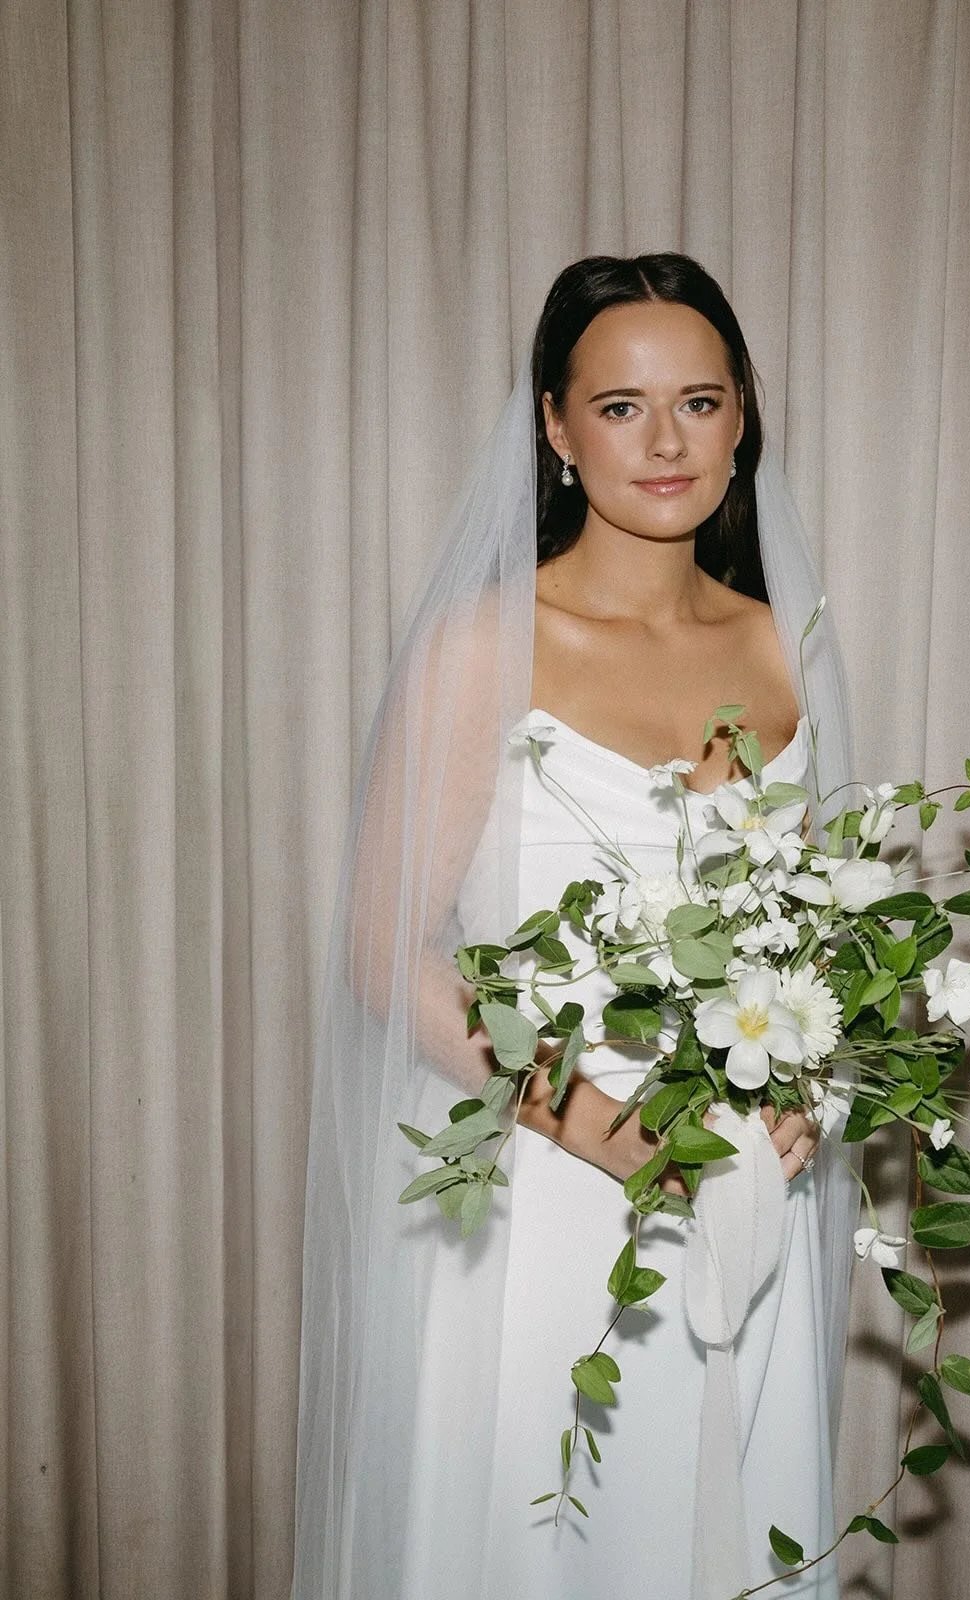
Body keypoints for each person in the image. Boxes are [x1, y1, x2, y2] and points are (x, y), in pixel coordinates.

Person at [292, 254, 858, 1600]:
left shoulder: (784, 644)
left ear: (742, 420)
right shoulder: (488, 643)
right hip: (545, 1187)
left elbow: (812, 929)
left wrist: (805, 1092)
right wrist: (596, 1125)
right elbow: (382, 950)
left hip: (741, 1190)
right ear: (554, 426)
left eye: (699, 402)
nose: (665, 443)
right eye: (619, 407)